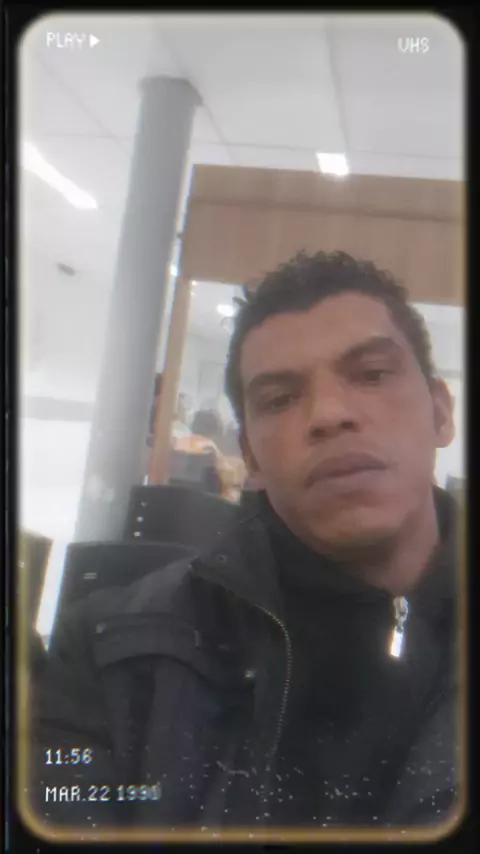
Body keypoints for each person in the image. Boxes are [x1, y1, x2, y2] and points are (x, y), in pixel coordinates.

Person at [29, 251, 460, 833]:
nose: (329, 413)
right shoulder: (111, 661)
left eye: (372, 373)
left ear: (440, 412)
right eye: (280, 399)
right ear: (251, 457)